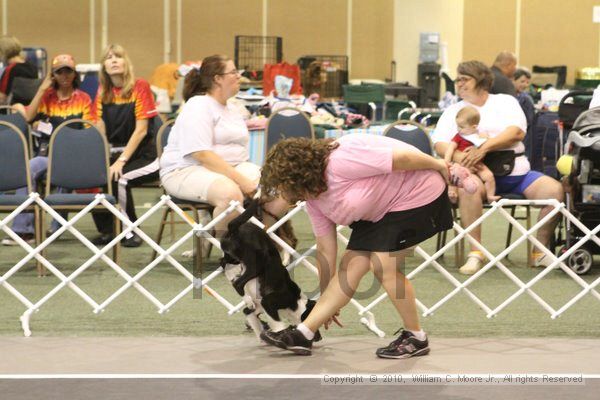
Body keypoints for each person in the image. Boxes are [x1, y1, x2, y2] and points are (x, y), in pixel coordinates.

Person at [258, 134, 453, 358]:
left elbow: (403, 158)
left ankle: (416, 337)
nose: (284, 192)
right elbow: (325, 249)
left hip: (418, 192)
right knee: (350, 267)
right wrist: (326, 299)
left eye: (284, 184)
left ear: (298, 174)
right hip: (380, 209)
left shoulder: (341, 159)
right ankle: (304, 334)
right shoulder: (313, 199)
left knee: (383, 265)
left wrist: (439, 164)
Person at [432, 60, 564, 275]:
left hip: (516, 173)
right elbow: (439, 143)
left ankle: (539, 251)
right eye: (458, 80)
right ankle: (476, 253)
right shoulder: (452, 110)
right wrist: (464, 157)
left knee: (554, 191)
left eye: (465, 79)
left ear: (481, 81)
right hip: (475, 174)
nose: (459, 84)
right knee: (469, 188)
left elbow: (516, 133)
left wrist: (483, 148)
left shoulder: (506, 102)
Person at [159, 54, 288, 238]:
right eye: (234, 72)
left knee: (277, 189)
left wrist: (250, 178)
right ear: (217, 79)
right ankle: (232, 258)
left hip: (231, 168)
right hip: (185, 170)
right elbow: (202, 155)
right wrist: (243, 181)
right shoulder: (198, 106)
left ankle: (266, 244)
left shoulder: (234, 109)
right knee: (230, 194)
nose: (239, 76)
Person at [1, 54, 93, 251]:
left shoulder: (84, 99)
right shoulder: (47, 97)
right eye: (60, 71)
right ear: (53, 75)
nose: (64, 75)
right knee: (30, 167)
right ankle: (24, 231)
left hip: (74, 155)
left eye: (68, 70)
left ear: (74, 73)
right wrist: (42, 88)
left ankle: (57, 226)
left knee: (64, 173)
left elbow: (88, 130)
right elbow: (29, 116)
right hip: (46, 155)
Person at [91, 44, 160, 248]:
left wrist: (120, 161)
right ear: (103, 65)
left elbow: (141, 130)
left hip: (146, 156)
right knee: (97, 175)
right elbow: (100, 127)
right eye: (108, 57)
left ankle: (131, 230)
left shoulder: (140, 86)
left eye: (118, 56)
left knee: (119, 177)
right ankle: (108, 230)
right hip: (117, 153)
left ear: (125, 62)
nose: (113, 60)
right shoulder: (103, 91)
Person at [444, 106, 500, 203]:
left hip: (477, 165)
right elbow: (450, 148)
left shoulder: (479, 135)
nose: (458, 129)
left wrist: (485, 138)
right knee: (455, 175)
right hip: (462, 164)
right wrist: (447, 161)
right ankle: (452, 192)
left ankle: (490, 195)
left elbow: (488, 144)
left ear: (474, 127)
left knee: (489, 176)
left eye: (462, 127)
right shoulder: (459, 137)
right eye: (457, 126)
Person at [0, 35, 38, 105]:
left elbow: (2, 98)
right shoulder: (32, 67)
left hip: (13, 110)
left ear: (3, 52)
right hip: (30, 108)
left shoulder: (10, 69)